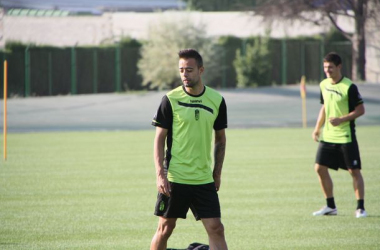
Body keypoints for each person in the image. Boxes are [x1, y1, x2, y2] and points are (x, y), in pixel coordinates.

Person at [150, 49, 228, 250]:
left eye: (190, 70)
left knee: (216, 228)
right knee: (165, 228)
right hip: (176, 177)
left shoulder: (217, 100)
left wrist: (217, 173)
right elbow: (159, 139)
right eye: (181, 70)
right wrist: (160, 175)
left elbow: (220, 139)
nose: (185, 74)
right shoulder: (170, 100)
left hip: (203, 178)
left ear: (201, 70)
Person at [312, 52, 366, 218]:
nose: (327, 70)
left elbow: (360, 110)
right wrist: (317, 128)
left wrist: (342, 119)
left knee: (354, 171)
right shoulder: (323, 85)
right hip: (328, 136)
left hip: (346, 136)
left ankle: (360, 208)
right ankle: (330, 206)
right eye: (325, 67)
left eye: (330, 67)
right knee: (319, 169)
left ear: (339, 67)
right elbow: (325, 107)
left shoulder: (349, 87)